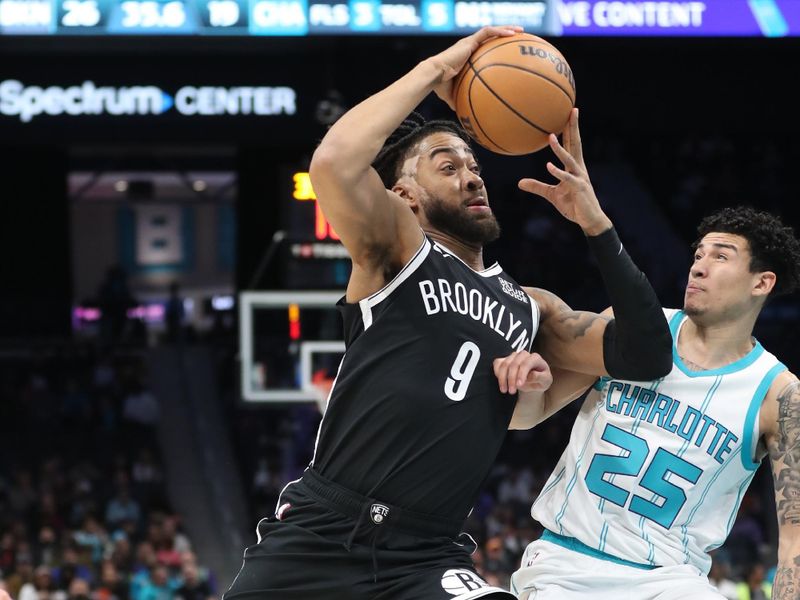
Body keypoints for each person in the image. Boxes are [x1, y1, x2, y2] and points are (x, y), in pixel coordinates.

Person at [223, 26, 672, 600]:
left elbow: (648, 354)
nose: (471, 176)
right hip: (322, 535)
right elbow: (334, 162)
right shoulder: (397, 250)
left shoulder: (532, 307)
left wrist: (595, 221)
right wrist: (437, 70)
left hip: (426, 555)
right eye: (446, 165)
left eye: (475, 166)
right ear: (404, 196)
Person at [511, 206, 800, 599]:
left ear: (762, 282)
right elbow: (527, 418)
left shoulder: (778, 395)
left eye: (720, 257)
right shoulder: (631, 330)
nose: (698, 267)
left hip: (671, 582)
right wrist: (529, 387)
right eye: (698, 255)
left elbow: (793, 545)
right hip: (566, 565)